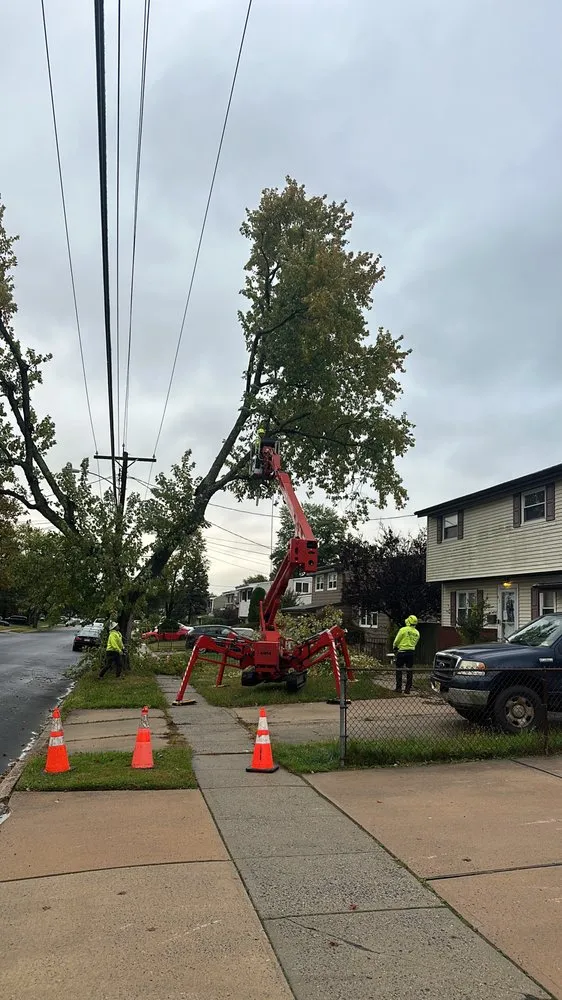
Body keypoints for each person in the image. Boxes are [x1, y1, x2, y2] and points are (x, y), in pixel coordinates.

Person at [393, 615, 420, 694]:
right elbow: (415, 643)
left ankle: (398, 688)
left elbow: (397, 640)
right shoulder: (417, 633)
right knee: (409, 670)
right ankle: (408, 689)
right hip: (411, 653)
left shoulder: (403, 630)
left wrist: (395, 647)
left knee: (399, 669)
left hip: (402, 652)